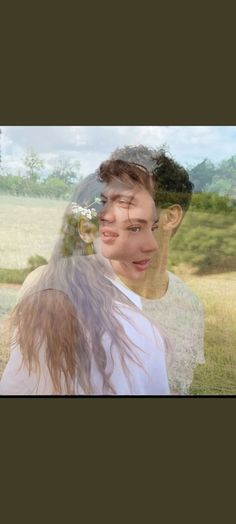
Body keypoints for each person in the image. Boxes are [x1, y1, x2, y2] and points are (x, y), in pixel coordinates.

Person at [0, 160, 170, 396]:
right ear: (87, 230)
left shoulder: (43, 293)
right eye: (133, 228)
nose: (152, 246)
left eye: (152, 228)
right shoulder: (137, 330)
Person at [97, 147, 205, 395]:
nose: (104, 215)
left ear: (170, 217)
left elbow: (175, 389)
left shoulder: (189, 306)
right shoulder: (66, 288)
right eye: (105, 202)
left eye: (124, 202)